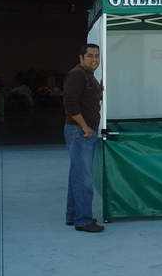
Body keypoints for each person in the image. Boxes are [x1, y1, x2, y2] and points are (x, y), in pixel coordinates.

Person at [63, 43, 105, 233]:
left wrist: (99, 93)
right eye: (90, 56)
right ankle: (83, 220)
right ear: (81, 58)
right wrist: (84, 126)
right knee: (84, 178)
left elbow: (86, 99)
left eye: (97, 56)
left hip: (83, 131)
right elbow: (70, 104)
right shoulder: (77, 74)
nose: (94, 59)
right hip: (80, 132)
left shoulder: (89, 76)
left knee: (77, 175)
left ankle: (73, 215)